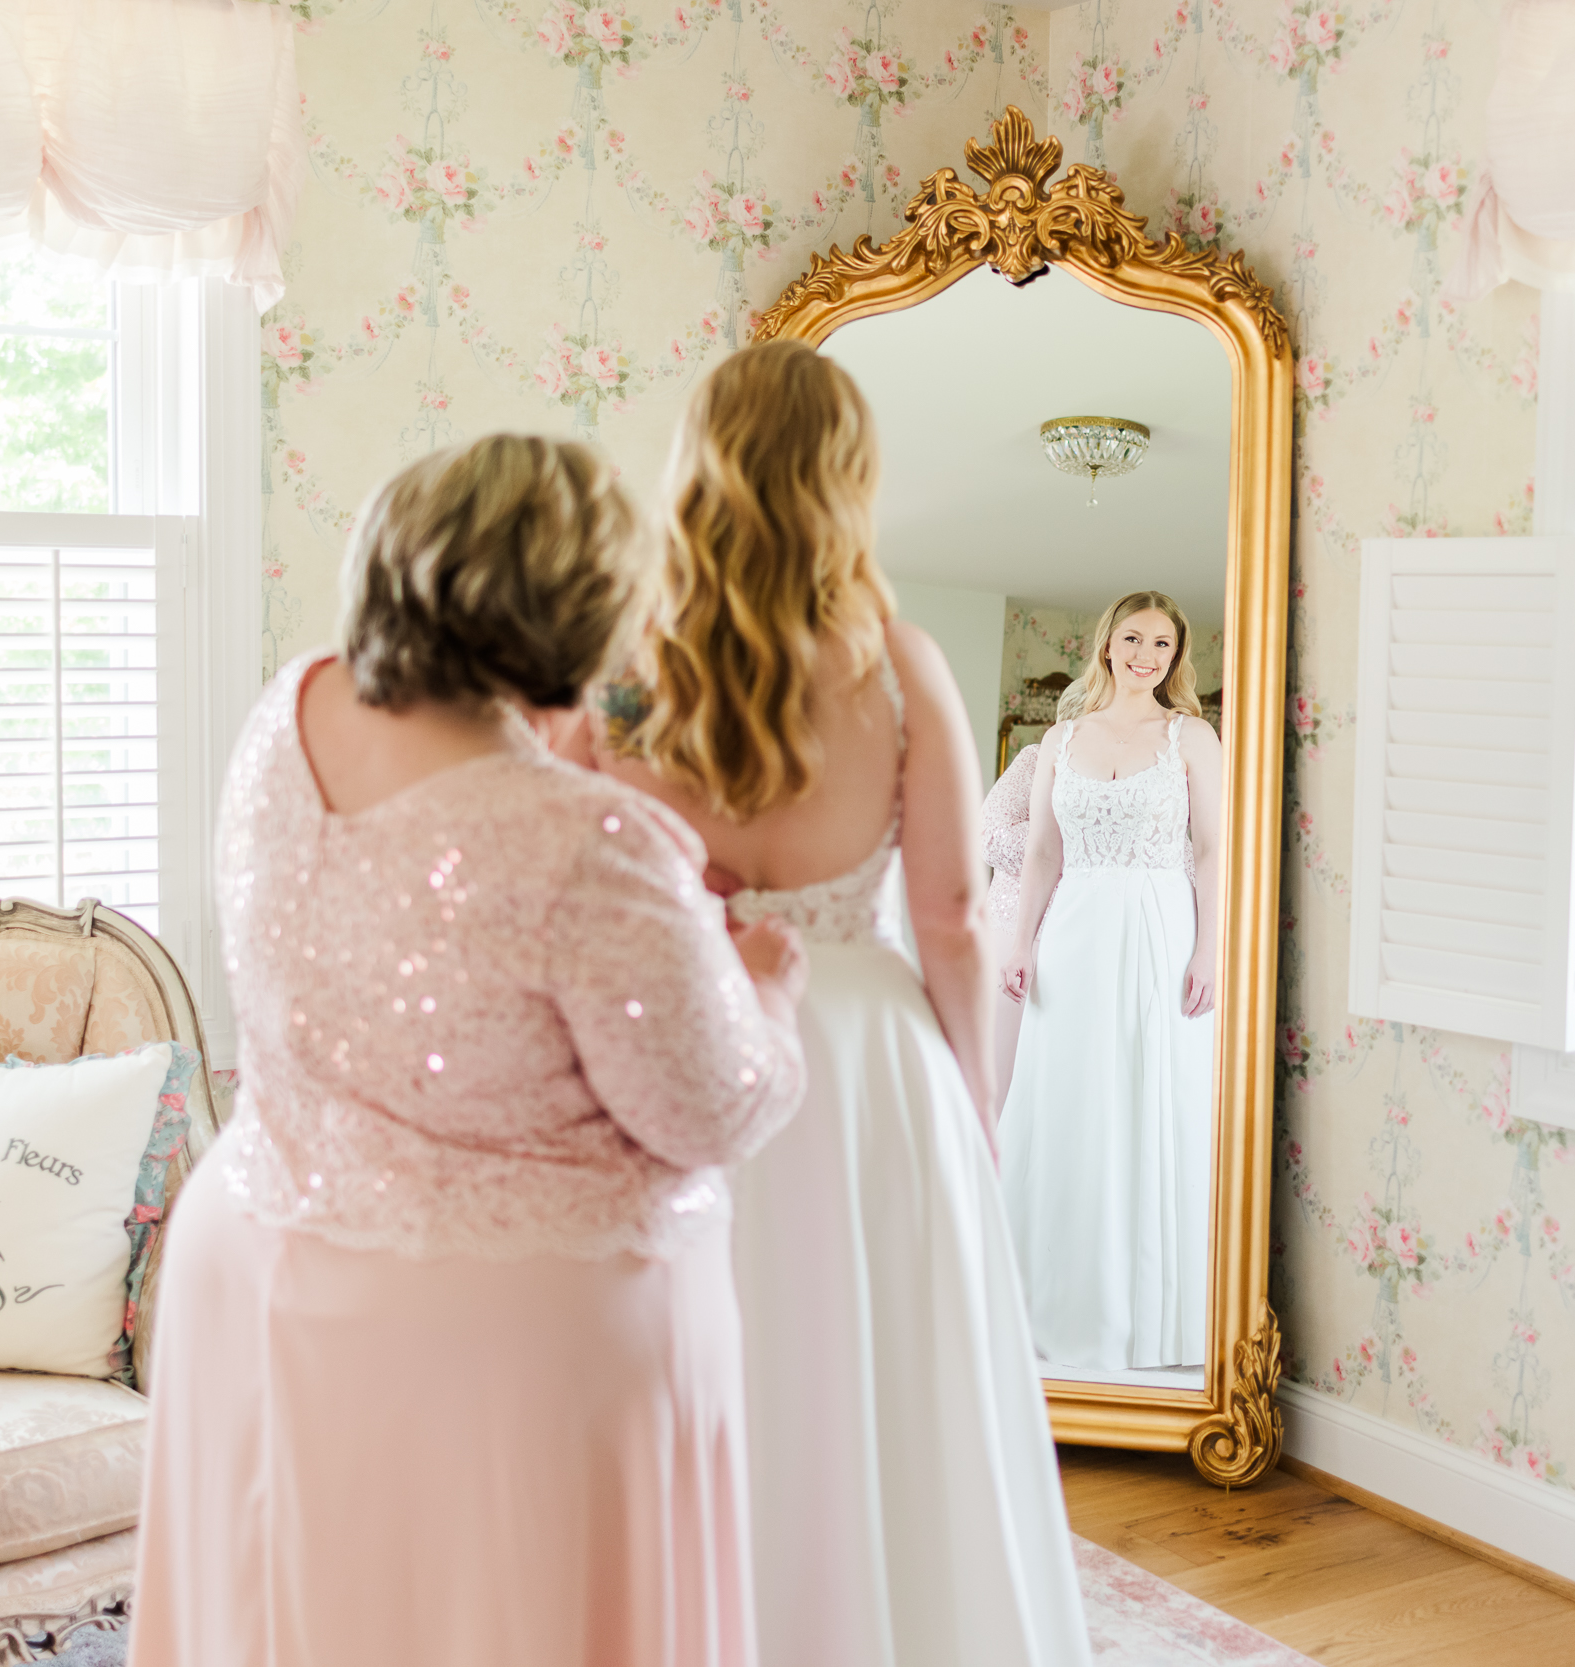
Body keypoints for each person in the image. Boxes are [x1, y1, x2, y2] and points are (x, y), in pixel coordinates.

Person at [131, 435, 809, 1667]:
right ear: (579, 613)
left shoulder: (286, 710)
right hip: (485, 1354)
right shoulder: (590, 838)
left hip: (253, 1254)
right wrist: (766, 992)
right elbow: (709, 1105)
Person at [599, 341, 1092, 1667]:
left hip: (703, 1033)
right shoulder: (892, 661)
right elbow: (950, 912)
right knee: (896, 1382)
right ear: (844, 480)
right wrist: (977, 1106)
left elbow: (617, 874)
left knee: (724, 1361)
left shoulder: (635, 676)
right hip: (871, 1056)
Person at [998, 591, 1221, 1373]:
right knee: (1070, 1105)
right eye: (1133, 638)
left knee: (1152, 1103)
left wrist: (1209, 950)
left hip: (1163, 931)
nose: (1145, 655)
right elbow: (1041, 857)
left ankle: (1152, 1319)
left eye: (1162, 643)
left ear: (1175, 656)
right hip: (1075, 933)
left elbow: (1210, 853)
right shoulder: (1061, 739)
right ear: (1106, 645)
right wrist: (1020, 941)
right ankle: (1054, 1306)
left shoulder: (1192, 736)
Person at [981, 742, 1043, 1121]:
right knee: (1001, 1068)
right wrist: (1081, 841)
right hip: (1012, 936)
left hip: (1083, 939)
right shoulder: (1036, 758)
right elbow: (991, 836)